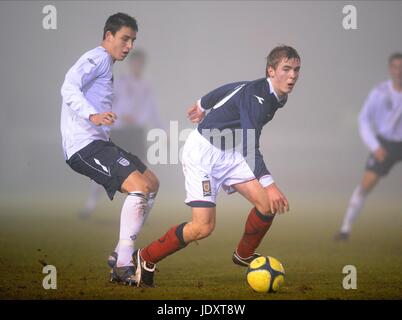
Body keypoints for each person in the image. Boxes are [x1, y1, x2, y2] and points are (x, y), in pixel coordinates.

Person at [129, 45, 301, 287]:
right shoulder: (258, 98)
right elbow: (250, 147)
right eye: (286, 69)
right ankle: (146, 256)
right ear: (271, 71)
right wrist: (270, 184)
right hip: (203, 155)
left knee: (266, 205)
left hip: (230, 153)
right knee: (203, 227)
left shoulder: (273, 93)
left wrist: (202, 103)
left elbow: (233, 88)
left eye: (296, 69)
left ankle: (243, 255)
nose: (293, 75)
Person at [60, 13, 159, 285]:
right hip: (84, 145)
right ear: (108, 36)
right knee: (139, 187)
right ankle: (125, 263)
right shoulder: (98, 58)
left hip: (99, 143)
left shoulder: (108, 65)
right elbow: (68, 87)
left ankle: (119, 254)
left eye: (133, 41)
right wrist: (92, 115)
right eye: (124, 39)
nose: (128, 46)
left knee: (151, 182)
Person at [78, 49, 163, 219]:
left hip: (136, 132)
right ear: (131, 64)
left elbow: (152, 109)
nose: (137, 65)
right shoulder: (121, 82)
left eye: (141, 63)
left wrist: (161, 128)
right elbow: (108, 102)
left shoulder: (146, 84)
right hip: (120, 130)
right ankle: (91, 204)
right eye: (135, 62)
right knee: (104, 167)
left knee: (142, 170)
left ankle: (141, 212)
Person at [335, 53, 402, 241]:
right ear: (390, 69)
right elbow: (363, 119)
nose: (399, 71)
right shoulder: (380, 92)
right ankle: (345, 229)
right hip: (385, 144)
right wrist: (374, 146)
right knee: (366, 185)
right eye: (396, 67)